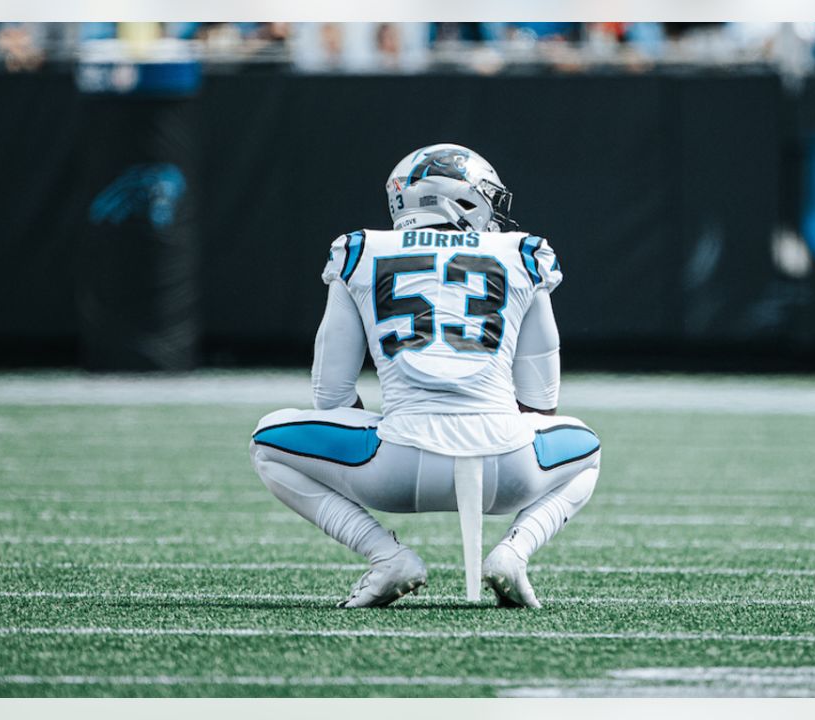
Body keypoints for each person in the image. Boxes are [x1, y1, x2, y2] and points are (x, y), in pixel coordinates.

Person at [249, 144, 600, 609]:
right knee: (587, 447)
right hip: (508, 470)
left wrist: (388, 424)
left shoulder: (359, 250)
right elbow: (540, 401)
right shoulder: (524, 253)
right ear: (460, 198)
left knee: (267, 440)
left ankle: (385, 555)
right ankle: (515, 552)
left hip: (393, 470)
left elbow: (330, 395)